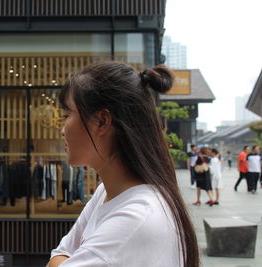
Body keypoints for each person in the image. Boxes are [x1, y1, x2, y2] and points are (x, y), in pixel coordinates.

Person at [47, 62, 199, 267]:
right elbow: (61, 252)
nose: (63, 130)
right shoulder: (107, 193)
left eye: (67, 115)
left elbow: (59, 258)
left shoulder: (135, 217)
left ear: (102, 121)